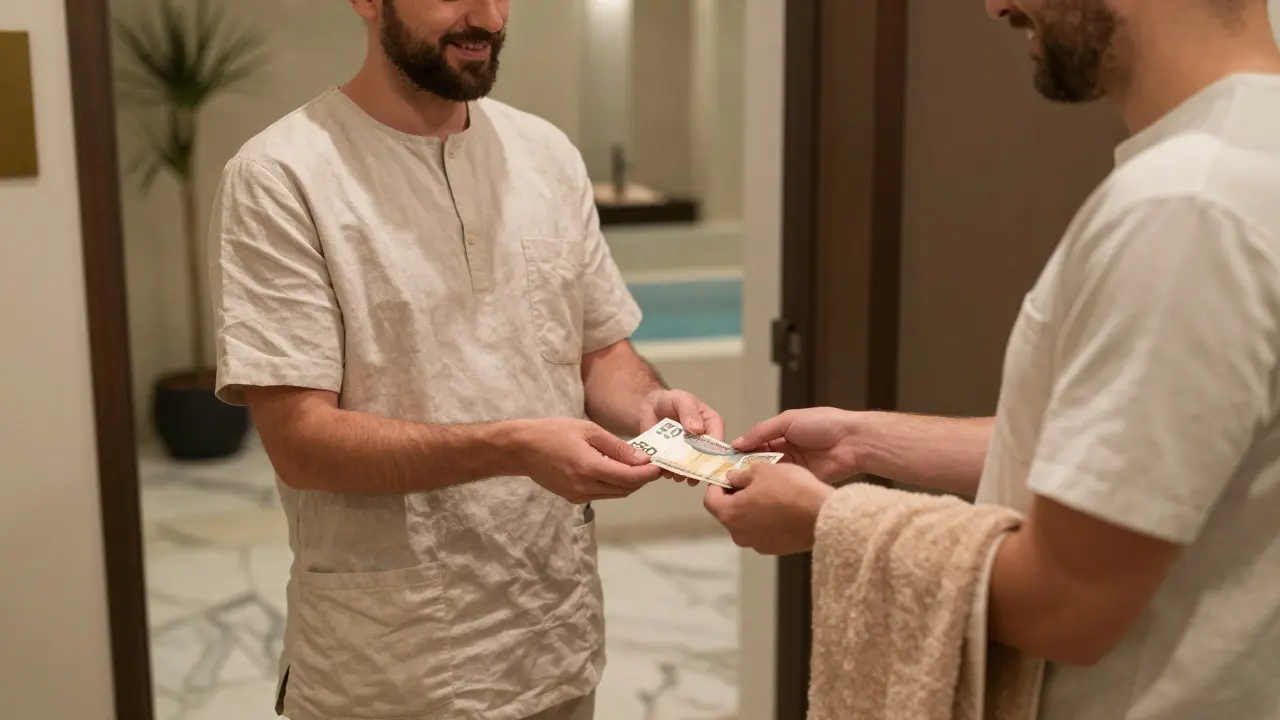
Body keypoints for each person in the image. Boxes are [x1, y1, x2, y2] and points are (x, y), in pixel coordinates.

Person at [707, 0, 1280, 718]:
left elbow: (1069, 603)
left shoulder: (1186, 209)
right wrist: (863, 441)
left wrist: (827, 521)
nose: (995, 6)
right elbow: (1128, 457)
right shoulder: (1254, 154)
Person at [207, 1, 723, 718]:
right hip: (390, 668)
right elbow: (301, 443)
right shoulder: (282, 176)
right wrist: (514, 446)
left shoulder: (547, 155)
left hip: (555, 646)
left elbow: (599, 349)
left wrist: (649, 406)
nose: (483, 14)